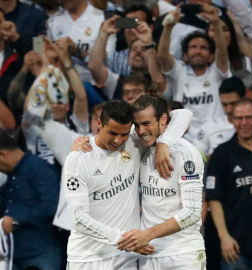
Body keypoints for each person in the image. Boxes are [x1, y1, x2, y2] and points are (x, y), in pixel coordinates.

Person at [64, 99, 193, 269]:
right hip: (87, 258)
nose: (118, 140)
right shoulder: (79, 158)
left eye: (123, 134)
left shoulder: (134, 141)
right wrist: (123, 239)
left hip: (126, 258)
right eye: (112, 133)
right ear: (98, 123)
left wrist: (164, 142)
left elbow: (184, 114)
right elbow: (79, 219)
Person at [117, 94, 206, 269]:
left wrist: (148, 234)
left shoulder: (186, 154)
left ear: (163, 120)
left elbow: (193, 212)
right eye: (137, 125)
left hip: (183, 254)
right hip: (148, 254)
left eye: (147, 124)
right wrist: (84, 142)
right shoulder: (141, 145)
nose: (141, 131)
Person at [205, 98, 252, 270]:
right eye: (239, 118)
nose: (244, 123)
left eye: (249, 117)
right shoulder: (221, 154)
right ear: (231, 121)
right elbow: (213, 198)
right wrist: (224, 236)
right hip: (234, 247)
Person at [158, 3, 230, 142]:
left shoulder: (217, 72)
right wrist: (168, 27)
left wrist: (215, 23)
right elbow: (162, 55)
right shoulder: (179, 71)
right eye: (193, 47)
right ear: (185, 53)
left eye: (203, 48)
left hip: (215, 135)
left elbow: (222, 52)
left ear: (210, 55)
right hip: (183, 136)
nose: (198, 51)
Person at [0, 129, 60, 270]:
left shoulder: (39, 168)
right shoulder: (7, 176)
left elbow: (51, 206)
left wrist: (16, 220)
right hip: (11, 254)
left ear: (2, 154)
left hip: (40, 252)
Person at [88, 15, 166, 100]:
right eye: (134, 49)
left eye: (144, 49)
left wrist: (148, 43)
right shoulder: (116, 81)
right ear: (128, 58)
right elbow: (94, 66)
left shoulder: (156, 82)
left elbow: (159, 83)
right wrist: (104, 33)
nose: (138, 52)